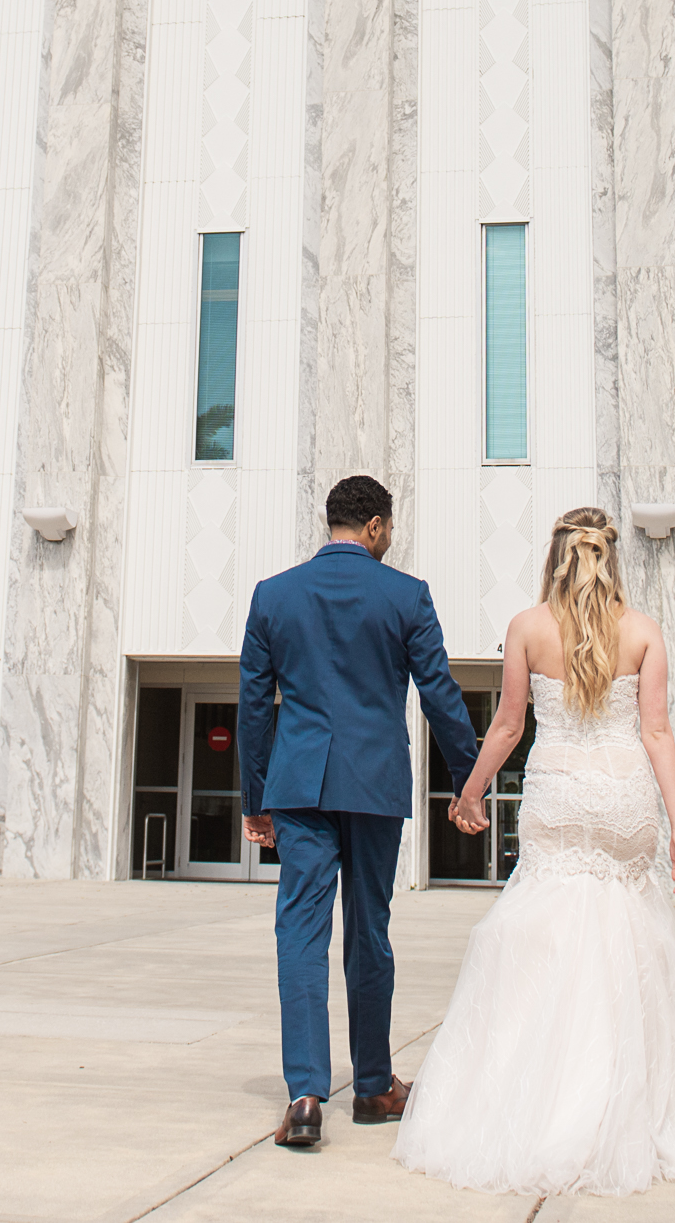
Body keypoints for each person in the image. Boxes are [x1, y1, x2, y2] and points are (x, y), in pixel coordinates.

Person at [394, 505, 675, 1195]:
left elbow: (510, 724)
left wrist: (469, 793)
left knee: (543, 940)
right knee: (626, 943)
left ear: (554, 559)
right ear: (612, 557)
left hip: (558, 798)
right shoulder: (642, 632)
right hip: (624, 800)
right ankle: (620, 1103)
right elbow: (658, 733)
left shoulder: (527, 627)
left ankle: (540, 1101)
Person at [238, 474, 482, 1152]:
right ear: (374, 526)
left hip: (299, 786)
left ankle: (306, 1096)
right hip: (373, 784)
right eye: (390, 527)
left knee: (300, 933)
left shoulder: (273, 596)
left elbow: (255, 708)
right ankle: (374, 1086)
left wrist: (255, 799)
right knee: (369, 931)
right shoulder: (405, 595)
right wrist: (468, 782)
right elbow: (439, 692)